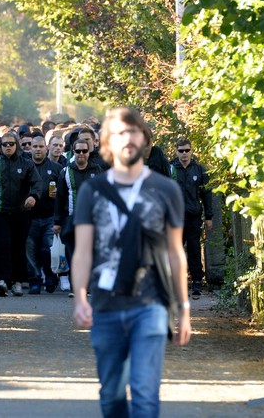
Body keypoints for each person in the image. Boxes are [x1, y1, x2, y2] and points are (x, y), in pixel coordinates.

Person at [71, 108, 191, 418]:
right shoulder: (92, 191)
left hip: (150, 304)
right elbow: (83, 251)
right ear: (107, 143)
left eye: (134, 131)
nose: (128, 138)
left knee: (145, 392)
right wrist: (81, 298)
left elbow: (176, 253)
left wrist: (183, 309)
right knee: (111, 396)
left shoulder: (166, 190)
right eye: (120, 133)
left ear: (146, 140)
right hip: (106, 305)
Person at [0, 131, 43, 297]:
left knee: (18, 247)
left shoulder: (27, 164)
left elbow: (37, 183)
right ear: (0, 147)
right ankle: (2, 281)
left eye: (11, 144)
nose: (8, 147)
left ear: (17, 145)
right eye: (5, 144)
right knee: (2, 245)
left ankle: (16, 282)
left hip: (21, 213)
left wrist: (33, 196)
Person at [54, 138, 104, 294]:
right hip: (70, 220)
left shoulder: (98, 171)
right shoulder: (65, 172)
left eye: (84, 151)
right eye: (78, 151)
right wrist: (57, 222)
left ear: (89, 152)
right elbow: (60, 198)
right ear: (73, 152)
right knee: (74, 254)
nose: (81, 154)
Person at [169, 137, 214, 298]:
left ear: (191, 151)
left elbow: (206, 194)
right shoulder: (171, 169)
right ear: (176, 151)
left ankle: (196, 281)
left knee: (194, 248)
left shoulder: (198, 169)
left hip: (194, 216)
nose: (184, 154)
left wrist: (209, 216)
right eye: (181, 151)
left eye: (187, 150)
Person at [26, 134, 63, 294]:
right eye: (35, 146)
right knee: (30, 251)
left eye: (41, 146)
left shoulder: (56, 168)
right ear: (30, 148)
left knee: (47, 250)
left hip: (49, 216)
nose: (38, 149)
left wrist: (58, 194)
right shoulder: (26, 167)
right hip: (29, 217)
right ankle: (34, 281)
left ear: (46, 148)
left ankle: (50, 277)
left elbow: (65, 192)